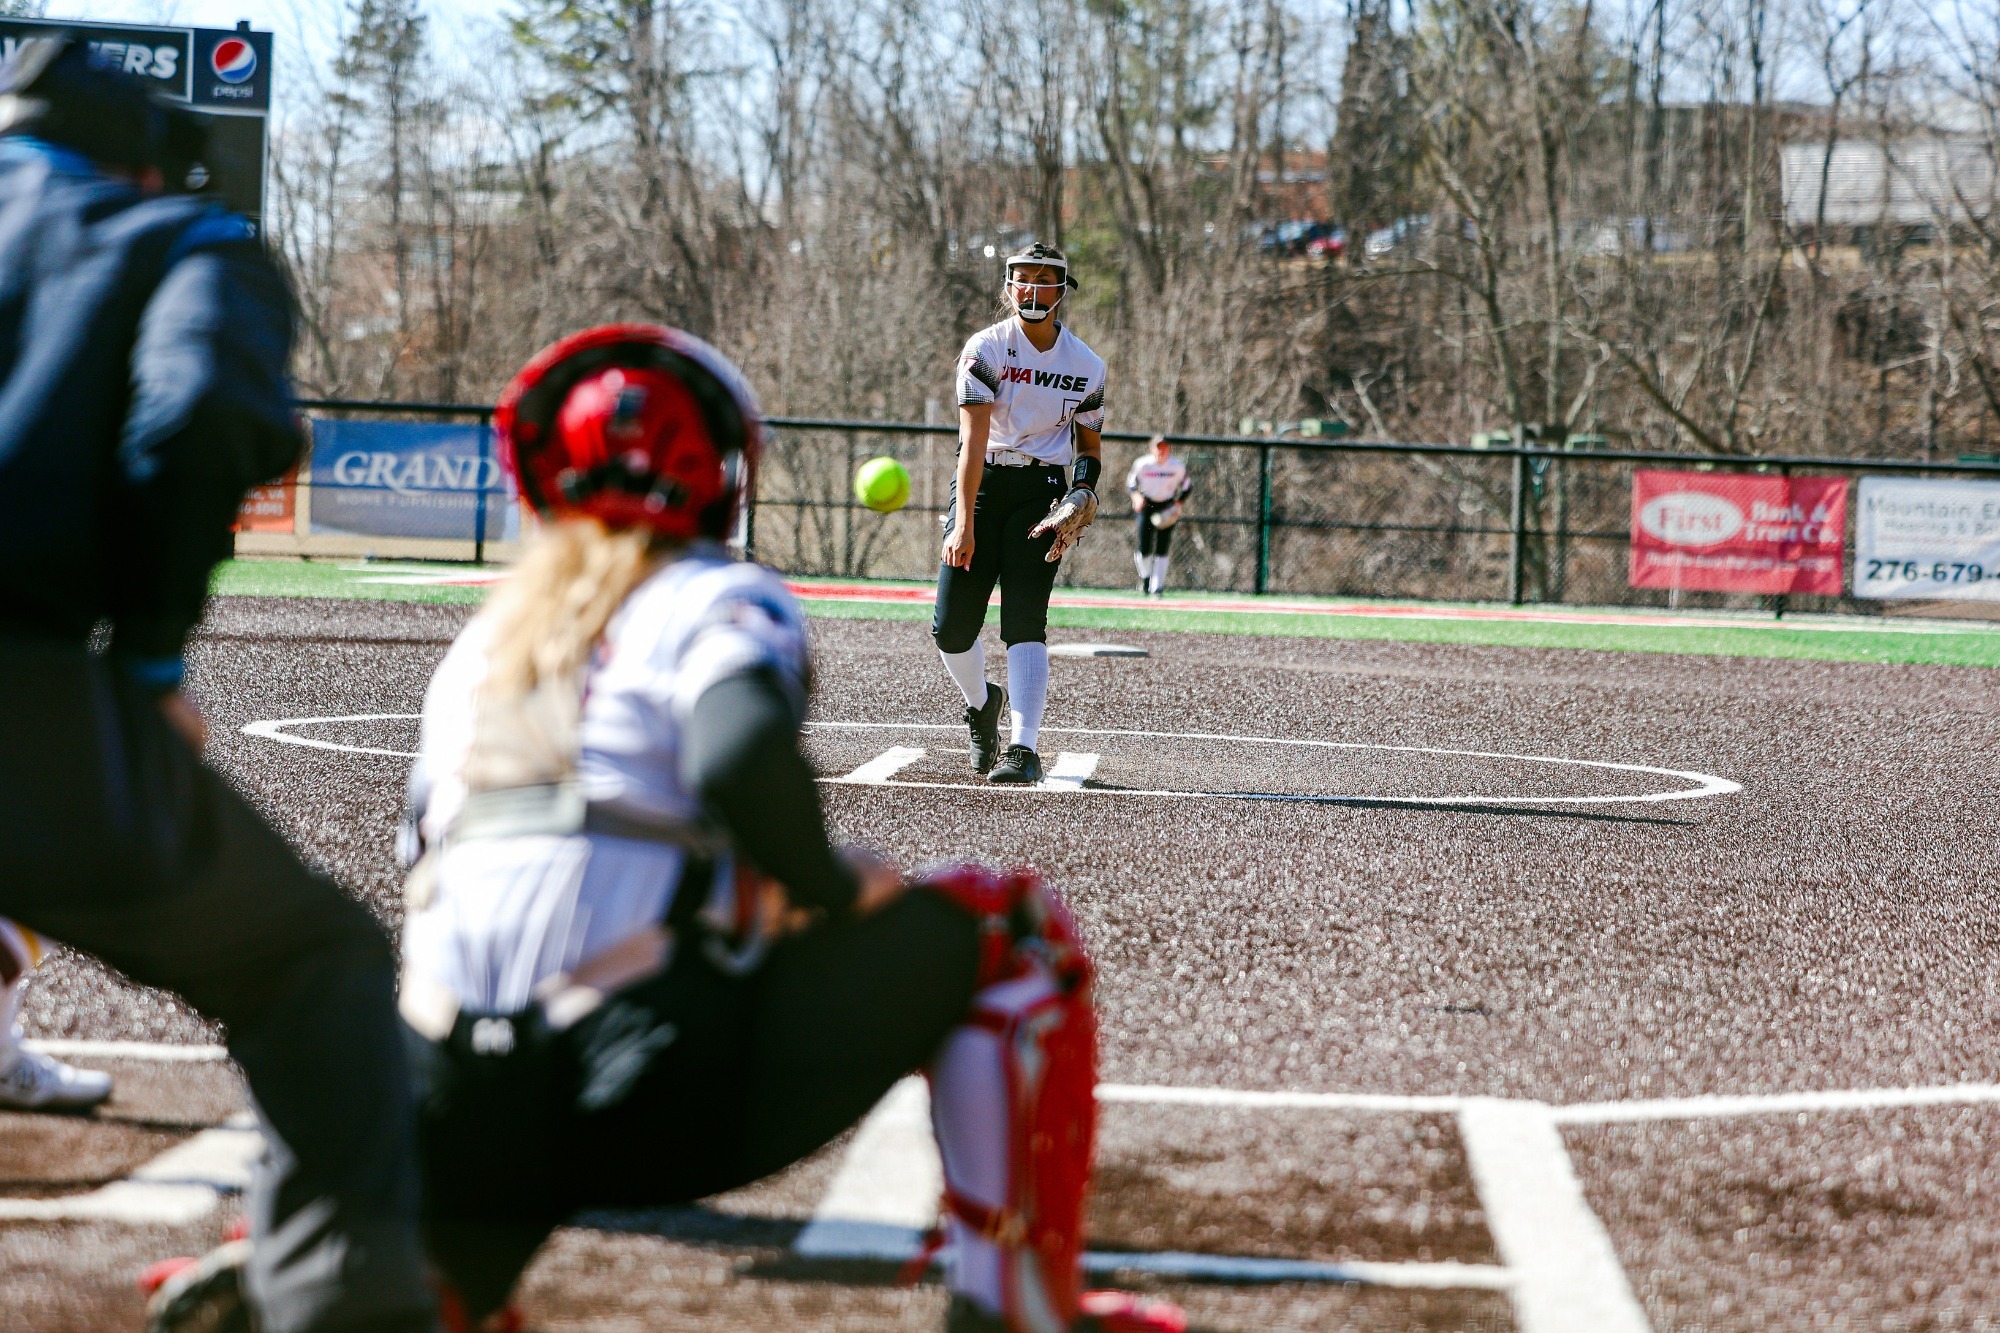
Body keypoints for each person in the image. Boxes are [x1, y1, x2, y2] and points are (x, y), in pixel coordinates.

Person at [396, 324, 1184, 1333]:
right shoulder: (708, 594)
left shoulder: (483, 642)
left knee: (466, 1204)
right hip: (634, 1078)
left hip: (435, 1089)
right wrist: (825, 884)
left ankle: (424, 1279)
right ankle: (1019, 1309)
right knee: (1012, 929)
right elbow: (737, 756)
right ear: (719, 475)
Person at [0, 38, 435, 1333]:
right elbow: (197, 417)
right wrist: (147, 661)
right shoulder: (177, 239)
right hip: (23, 695)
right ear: (139, 160)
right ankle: (344, 1302)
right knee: (314, 967)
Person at [934, 242, 1106, 786]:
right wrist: (964, 522)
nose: (1032, 288)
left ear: (1062, 289)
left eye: (1044, 278)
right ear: (1008, 288)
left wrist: (1082, 492)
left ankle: (1023, 748)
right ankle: (982, 702)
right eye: (1022, 278)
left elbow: (1089, 447)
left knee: (1025, 619)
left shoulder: (1087, 365)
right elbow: (972, 441)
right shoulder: (985, 348)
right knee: (950, 629)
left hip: (1042, 489)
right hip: (983, 482)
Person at [1124, 436, 1190, 597]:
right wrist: (1136, 497)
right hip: (1147, 505)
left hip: (1166, 506)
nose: (1161, 450)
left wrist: (1178, 504)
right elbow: (1131, 483)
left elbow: (1187, 486)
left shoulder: (1176, 466)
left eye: (1164, 447)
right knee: (1144, 547)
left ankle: (1157, 587)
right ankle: (1145, 577)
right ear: (1152, 448)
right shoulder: (1143, 464)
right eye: (1158, 447)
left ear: (1169, 448)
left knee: (1162, 547)